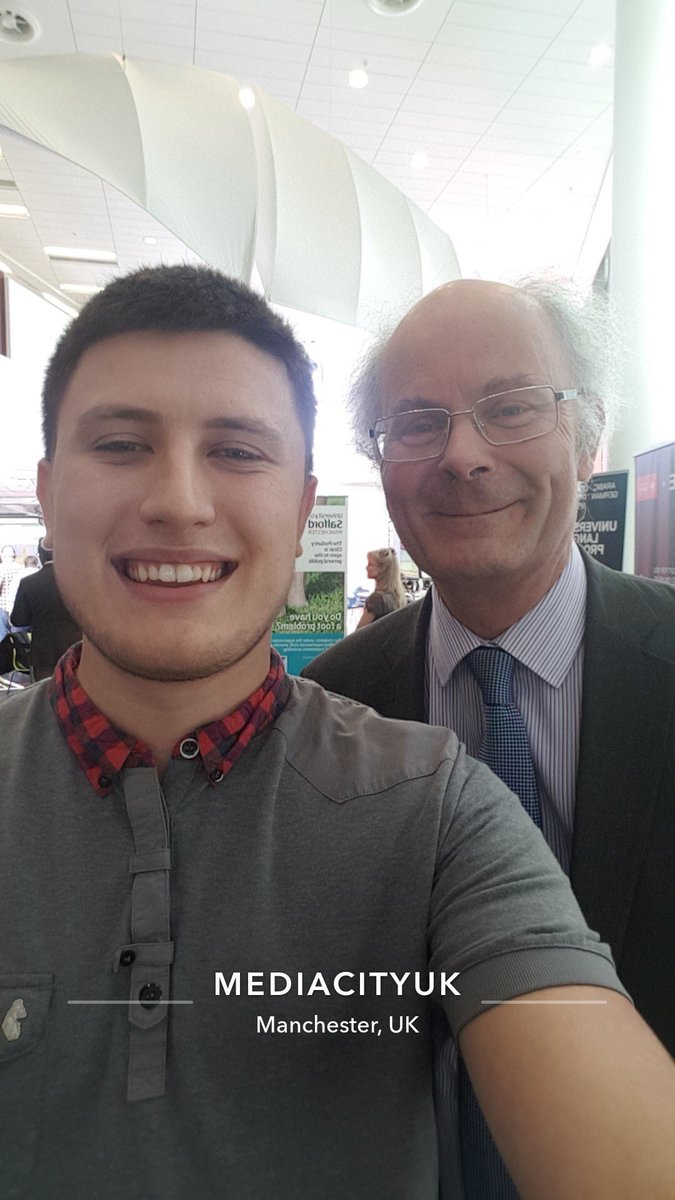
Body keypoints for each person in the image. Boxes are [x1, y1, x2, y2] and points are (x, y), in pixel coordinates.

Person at [1, 266, 675, 1200]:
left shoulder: (431, 801)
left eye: (511, 406)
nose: (180, 502)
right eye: (120, 443)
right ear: (45, 487)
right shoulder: (354, 685)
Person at [302, 277, 675, 1191]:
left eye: (509, 408)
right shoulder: (325, 712)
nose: (462, 455)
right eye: (417, 422)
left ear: (588, 439)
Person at [9, 538, 81, 680]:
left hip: (42, 653)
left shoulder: (28, 583)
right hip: (76, 650)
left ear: (40, 556)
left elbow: (17, 620)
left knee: (44, 696)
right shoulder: (78, 581)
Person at [354, 546, 407, 629]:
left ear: (382, 568)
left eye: (371, 564)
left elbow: (358, 634)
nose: (366, 567)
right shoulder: (398, 597)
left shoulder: (376, 599)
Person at [0, 543, 22, 637]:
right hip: (17, 604)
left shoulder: (1, 568)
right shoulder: (20, 567)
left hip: (3, 605)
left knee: (3, 636)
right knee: (18, 635)